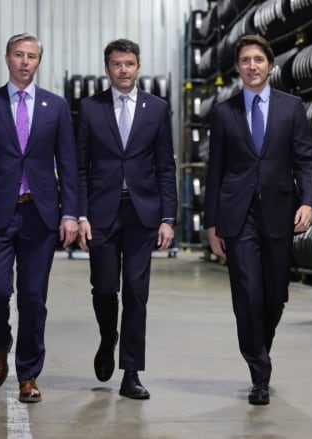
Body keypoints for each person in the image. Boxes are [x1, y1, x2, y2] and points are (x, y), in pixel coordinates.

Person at [0, 33, 78, 403]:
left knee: (33, 298)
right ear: (7, 58)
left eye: (32, 56)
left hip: (40, 214)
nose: (25, 62)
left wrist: (70, 212)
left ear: (39, 61)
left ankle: (28, 374)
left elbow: (69, 164)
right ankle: (0, 341)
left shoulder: (55, 107)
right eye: (19, 55)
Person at [204, 34, 312, 406]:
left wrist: (309, 202)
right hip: (238, 217)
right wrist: (211, 224)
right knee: (247, 295)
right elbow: (215, 171)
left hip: (279, 213)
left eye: (258, 59)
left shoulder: (292, 107)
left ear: (270, 64)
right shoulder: (224, 112)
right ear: (237, 67)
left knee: (274, 296)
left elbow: (305, 159)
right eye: (244, 60)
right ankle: (260, 373)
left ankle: (260, 351)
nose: (251, 66)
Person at [76, 38, 177, 400]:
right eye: (117, 64)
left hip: (142, 213)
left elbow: (166, 164)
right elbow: (80, 167)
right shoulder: (89, 108)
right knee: (104, 287)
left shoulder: (157, 108)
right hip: (102, 213)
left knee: (136, 293)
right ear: (108, 68)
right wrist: (81, 213)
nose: (123, 70)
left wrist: (168, 217)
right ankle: (108, 339)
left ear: (138, 67)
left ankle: (130, 371)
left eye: (129, 64)